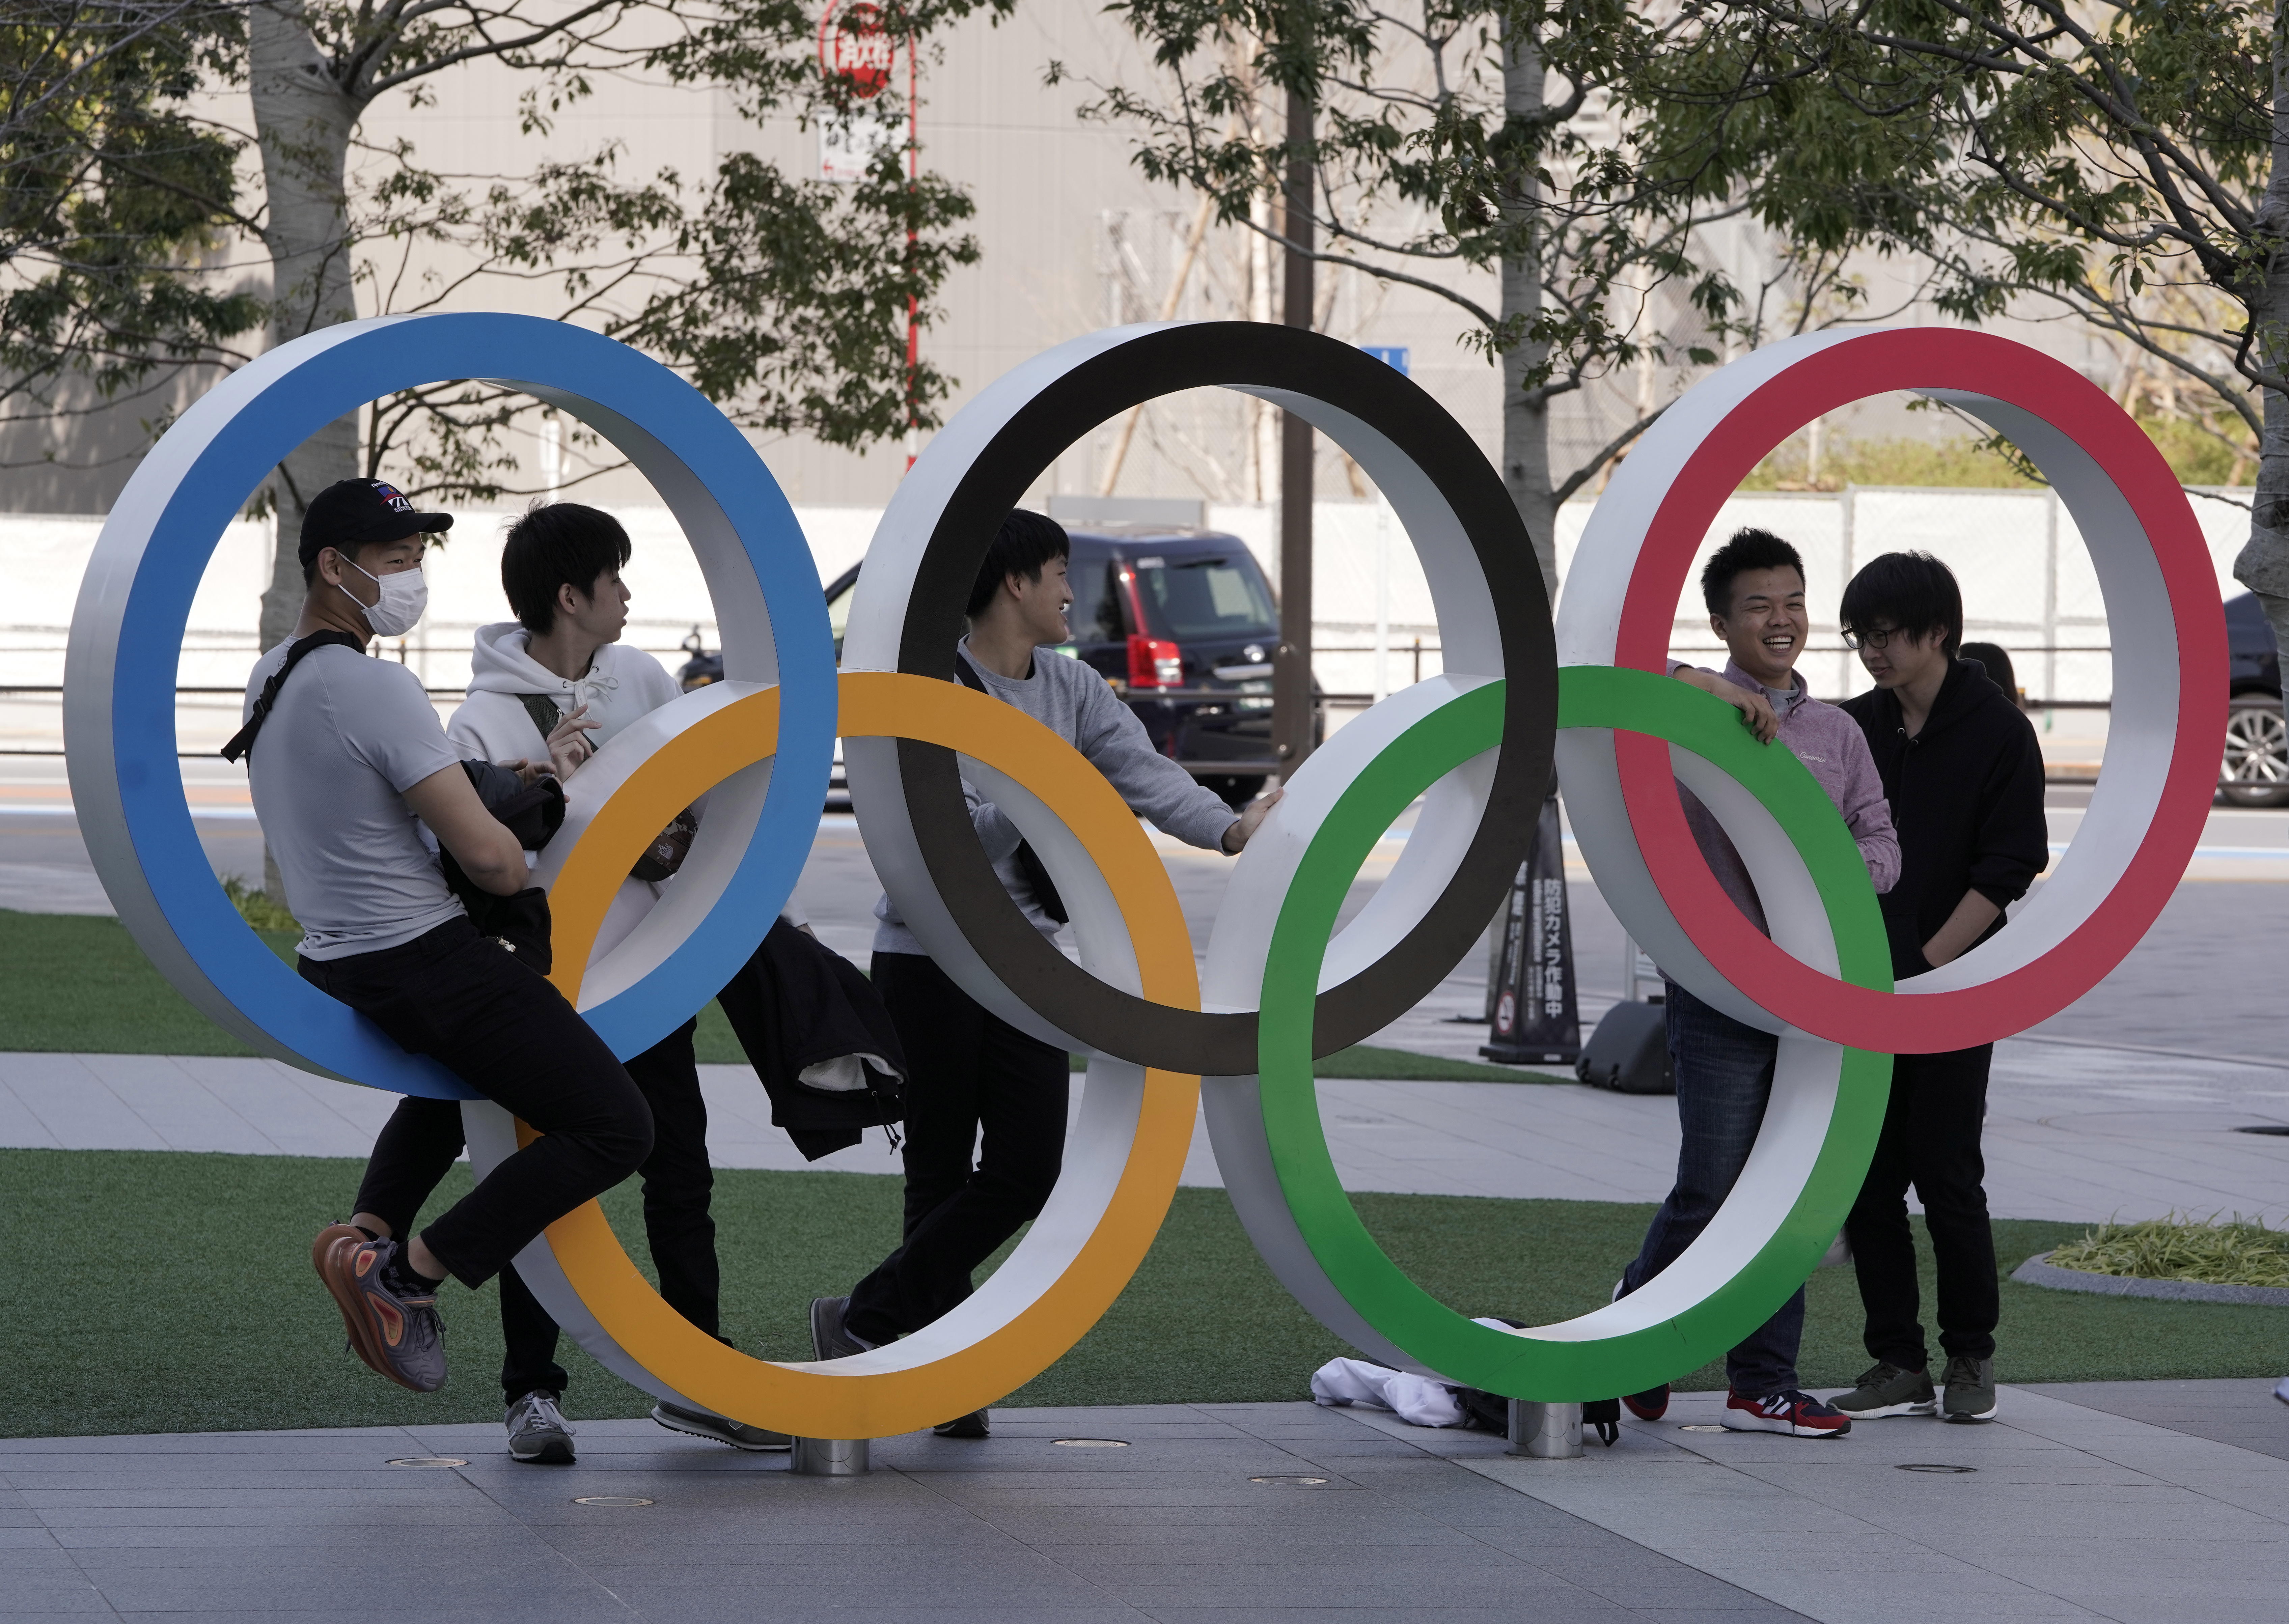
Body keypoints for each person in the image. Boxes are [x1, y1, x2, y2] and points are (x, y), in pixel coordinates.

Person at [807, 509, 1280, 1437]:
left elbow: (1146, 776)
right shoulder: (932, 692)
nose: (1071, 591)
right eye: (1060, 572)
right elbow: (955, 836)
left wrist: (1230, 830)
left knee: (1029, 1168)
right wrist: (1044, 788)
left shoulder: (1072, 688)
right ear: (1014, 583)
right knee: (939, 1170)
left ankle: (866, 1317)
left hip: (1030, 962)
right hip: (930, 957)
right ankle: (939, 1374)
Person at [232, 478, 654, 1398]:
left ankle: (369, 1234)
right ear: (333, 567)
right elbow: (493, 863)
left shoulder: (274, 674)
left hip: (334, 956)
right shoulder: (374, 686)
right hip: (423, 957)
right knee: (616, 1126)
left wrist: (516, 782)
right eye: (395, 560)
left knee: (467, 1082)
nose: (412, 578)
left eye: (418, 559)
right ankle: (409, 1277)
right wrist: (523, 819)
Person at [417, 501, 785, 1463]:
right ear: (569, 597)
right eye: (613, 577)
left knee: (681, 1172)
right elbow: (475, 859)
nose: (627, 593)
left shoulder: (647, 680)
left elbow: (705, 800)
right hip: (547, 985)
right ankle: (531, 1394)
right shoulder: (481, 719)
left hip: (654, 969)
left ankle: (700, 1377)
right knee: (541, 1178)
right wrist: (549, 782)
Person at [1612, 527, 1900, 1438]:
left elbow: (1883, 845)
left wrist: (1832, 872)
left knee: (1788, 1189)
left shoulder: (1838, 732)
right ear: (1722, 623)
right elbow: (1606, 675)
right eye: (1759, 605)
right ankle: (1639, 1335)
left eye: (1794, 602)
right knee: (1712, 1185)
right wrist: (1703, 686)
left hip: (1815, 994)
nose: (1782, 620)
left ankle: (1763, 1383)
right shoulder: (1689, 712)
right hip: (1721, 986)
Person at [1831, 552, 2047, 1426]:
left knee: (1948, 1175)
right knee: (1868, 1179)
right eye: (1862, 636)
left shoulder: (1999, 732)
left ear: (1939, 633)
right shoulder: (1856, 726)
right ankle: (1898, 1361)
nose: (1873, 652)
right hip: (1863, 992)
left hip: (1955, 989)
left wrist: (1926, 965)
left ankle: (1970, 1357)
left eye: (1887, 635)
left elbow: (2009, 868)